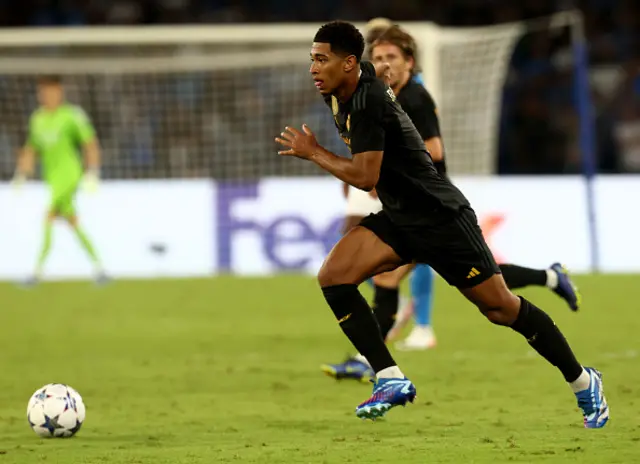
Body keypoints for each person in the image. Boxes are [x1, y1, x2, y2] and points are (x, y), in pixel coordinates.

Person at [275, 21, 608, 427]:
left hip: (441, 218)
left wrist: (313, 153)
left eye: (320, 59)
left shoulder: (366, 102)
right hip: (401, 217)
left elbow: (365, 177)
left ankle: (582, 380)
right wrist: (379, 70)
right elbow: (371, 77)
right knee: (334, 277)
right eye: (312, 59)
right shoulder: (343, 89)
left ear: (346, 64)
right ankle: (389, 377)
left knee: (500, 308)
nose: (313, 67)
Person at [324, 24, 582, 385]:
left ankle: (381, 356)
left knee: (491, 298)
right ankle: (379, 367)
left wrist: (386, 162)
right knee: (386, 280)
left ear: (409, 62)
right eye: (378, 58)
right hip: (407, 210)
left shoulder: (414, 98)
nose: (384, 64)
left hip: (436, 212)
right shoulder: (375, 99)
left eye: (391, 57)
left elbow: (434, 150)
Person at [12, 75, 107, 285]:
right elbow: (32, 148)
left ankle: (36, 274)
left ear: (60, 92)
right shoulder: (37, 119)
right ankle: (100, 269)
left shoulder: (72, 115)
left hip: (70, 175)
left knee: (48, 217)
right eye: (43, 92)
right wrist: (21, 174)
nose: (47, 96)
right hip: (52, 178)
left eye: (51, 91)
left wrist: (93, 171)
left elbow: (90, 142)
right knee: (73, 222)